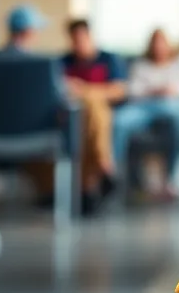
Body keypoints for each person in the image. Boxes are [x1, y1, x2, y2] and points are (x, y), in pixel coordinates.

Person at [0, 6, 103, 214]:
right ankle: (79, 190)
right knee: (73, 121)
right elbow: (60, 99)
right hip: (35, 138)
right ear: (29, 32)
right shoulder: (42, 67)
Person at [115, 28, 179, 200]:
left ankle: (171, 180)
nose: (158, 47)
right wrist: (152, 91)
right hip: (146, 107)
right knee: (121, 120)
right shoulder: (141, 65)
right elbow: (130, 91)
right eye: (154, 43)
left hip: (177, 106)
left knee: (173, 115)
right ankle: (114, 173)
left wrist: (177, 90)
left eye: (162, 42)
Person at [47, 18, 127, 198]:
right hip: (70, 115)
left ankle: (95, 174)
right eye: (75, 40)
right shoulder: (62, 62)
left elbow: (119, 91)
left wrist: (85, 90)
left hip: (100, 114)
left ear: (90, 37)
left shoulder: (109, 59)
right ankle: (100, 171)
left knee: (95, 106)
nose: (79, 44)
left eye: (82, 38)